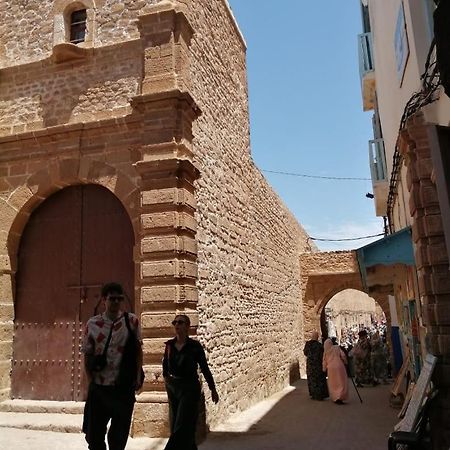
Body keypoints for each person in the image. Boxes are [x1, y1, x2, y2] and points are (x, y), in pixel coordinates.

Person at [82, 282, 143, 450]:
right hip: (100, 388)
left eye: (119, 299)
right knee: (94, 437)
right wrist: (90, 384)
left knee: (118, 438)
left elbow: (138, 350)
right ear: (104, 300)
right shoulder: (93, 324)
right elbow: (87, 354)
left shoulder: (131, 321)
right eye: (112, 299)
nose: (116, 302)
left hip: (123, 387)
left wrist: (138, 375)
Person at [163, 314, 219, 450]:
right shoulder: (169, 345)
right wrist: (167, 381)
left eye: (180, 322)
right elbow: (165, 365)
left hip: (189, 388)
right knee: (178, 423)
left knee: (180, 425)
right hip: (173, 388)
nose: (177, 325)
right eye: (174, 322)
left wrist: (212, 389)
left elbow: (204, 368)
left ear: (187, 326)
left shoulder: (194, 347)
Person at [303, 331, 328, 400]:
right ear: (317, 337)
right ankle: (320, 394)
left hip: (310, 365)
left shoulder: (307, 344)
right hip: (318, 364)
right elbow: (322, 355)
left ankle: (313, 394)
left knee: (312, 379)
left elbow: (305, 353)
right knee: (319, 379)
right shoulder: (319, 345)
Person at [322, 338, 349, 404]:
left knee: (333, 383)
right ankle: (341, 395)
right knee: (341, 381)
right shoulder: (336, 348)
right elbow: (343, 355)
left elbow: (324, 361)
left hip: (331, 368)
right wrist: (346, 362)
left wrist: (324, 369)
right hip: (339, 366)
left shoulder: (326, 351)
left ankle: (335, 397)